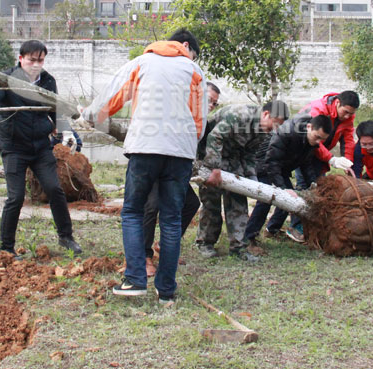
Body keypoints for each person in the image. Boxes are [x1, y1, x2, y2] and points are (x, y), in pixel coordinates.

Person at [79, 29, 208, 304]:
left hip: (144, 147)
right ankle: (166, 290)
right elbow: (200, 121)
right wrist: (185, 144)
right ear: (185, 47)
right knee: (172, 219)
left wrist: (89, 116)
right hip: (180, 152)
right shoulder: (194, 70)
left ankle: (136, 280)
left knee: (134, 212)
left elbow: (110, 99)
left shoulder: (141, 63)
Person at [0, 40, 82, 257]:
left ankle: (66, 237)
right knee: (15, 197)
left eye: (40, 60)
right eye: (31, 60)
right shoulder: (7, 79)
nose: (36, 64)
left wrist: (66, 131)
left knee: (54, 189)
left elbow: (55, 108)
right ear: (21, 58)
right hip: (14, 146)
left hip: (41, 146)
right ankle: (6, 248)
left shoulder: (48, 81)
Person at [143, 82, 221, 277]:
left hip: (174, 171)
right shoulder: (176, 112)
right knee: (151, 206)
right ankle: (144, 256)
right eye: (209, 100)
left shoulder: (203, 123)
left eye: (215, 104)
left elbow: (202, 151)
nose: (211, 106)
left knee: (190, 203)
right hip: (153, 162)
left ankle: (166, 246)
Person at [195, 100, 289, 262]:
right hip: (210, 154)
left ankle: (238, 248)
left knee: (238, 202)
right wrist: (214, 168)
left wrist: (252, 181)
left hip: (233, 158)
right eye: (275, 124)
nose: (275, 129)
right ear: (266, 114)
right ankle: (205, 243)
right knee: (212, 201)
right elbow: (215, 137)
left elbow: (250, 154)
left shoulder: (263, 130)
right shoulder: (240, 115)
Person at [266, 91, 359, 238]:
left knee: (315, 187)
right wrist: (331, 159)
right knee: (302, 188)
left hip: (317, 153)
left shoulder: (348, 117)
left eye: (351, 114)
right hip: (304, 150)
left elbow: (347, 138)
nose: (348, 116)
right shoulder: (317, 110)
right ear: (337, 103)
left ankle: (276, 227)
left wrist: (348, 161)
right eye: (346, 112)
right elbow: (315, 140)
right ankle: (296, 227)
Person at [245, 114, 333, 246]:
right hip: (264, 164)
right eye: (317, 137)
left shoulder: (311, 140)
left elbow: (306, 163)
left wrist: (313, 183)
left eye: (322, 140)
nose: (318, 142)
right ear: (309, 127)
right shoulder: (287, 132)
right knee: (265, 200)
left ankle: (271, 230)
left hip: (281, 167)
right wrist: (282, 186)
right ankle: (248, 238)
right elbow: (271, 161)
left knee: (289, 199)